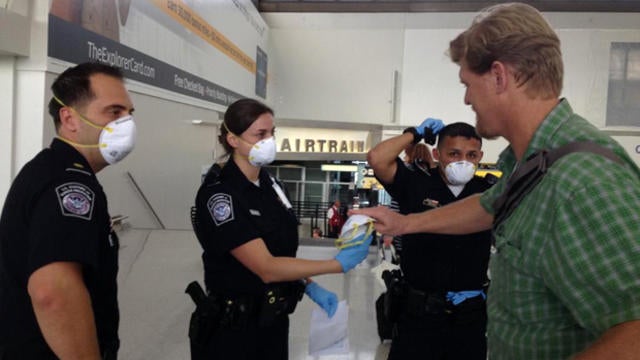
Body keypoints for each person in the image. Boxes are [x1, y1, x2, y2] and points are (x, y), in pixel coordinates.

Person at [353, 3, 640, 359]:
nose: (466, 98)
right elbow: (488, 206)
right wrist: (406, 222)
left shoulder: (581, 180)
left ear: (499, 76)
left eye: (468, 84)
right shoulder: (533, 165)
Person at [190, 98, 373, 360]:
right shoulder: (220, 195)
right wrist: (336, 265)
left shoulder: (272, 186)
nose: (269, 140)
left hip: (272, 321)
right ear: (233, 140)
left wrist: (307, 284)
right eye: (260, 134)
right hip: (233, 331)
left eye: (272, 133)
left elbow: (280, 251)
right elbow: (265, 266)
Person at [0, 62, 135, 359]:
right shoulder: (69, 183)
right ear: (69, 118)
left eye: (129, 113)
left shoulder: (50, 169)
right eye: (114, 112)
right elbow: (53, 292)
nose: (127, 123)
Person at [368, 120, 494, 359]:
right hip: (418, 314)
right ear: (437, 154)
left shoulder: (487, 191)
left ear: (480, 156)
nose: (463, 161)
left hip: (469, 317)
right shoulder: (417, 182)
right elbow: (378, 159)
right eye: (454, 153)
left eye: (471, 155)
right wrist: (414, 134)